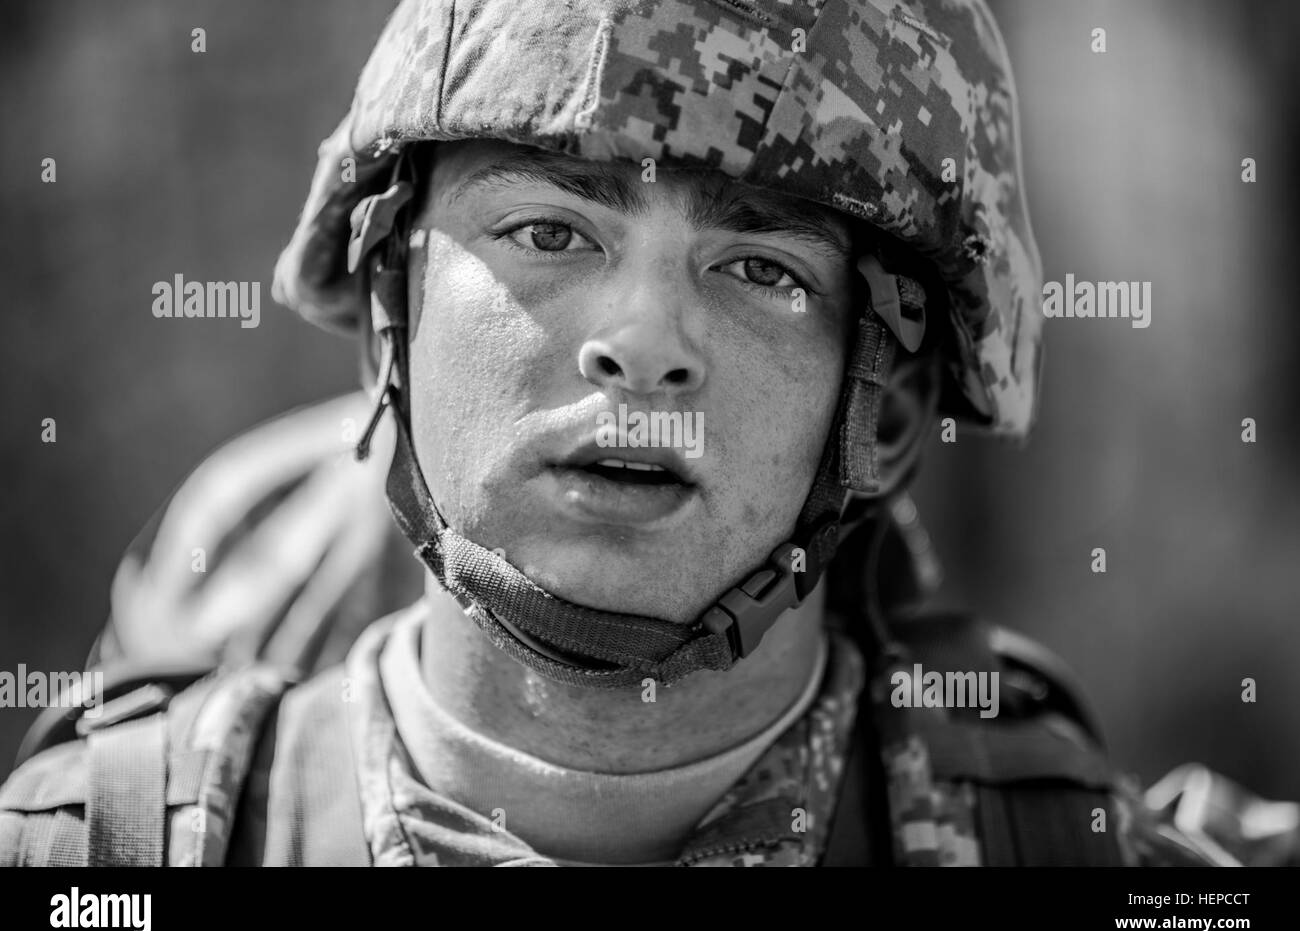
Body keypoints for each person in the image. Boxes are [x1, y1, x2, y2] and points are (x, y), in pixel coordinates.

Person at [2, 0, 1296, 867]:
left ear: (887, 413)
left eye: (761, 270)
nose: (642, 339)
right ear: (386, 318)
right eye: (550, 233)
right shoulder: (97, 852)